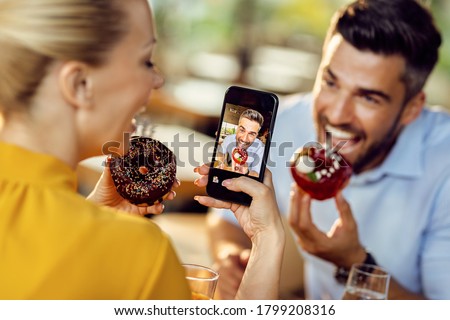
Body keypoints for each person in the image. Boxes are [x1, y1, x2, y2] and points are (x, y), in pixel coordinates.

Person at [0, 0, 285, 299]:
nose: (158, 80)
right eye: (146, 61)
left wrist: (91, 219)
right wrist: (267, 239)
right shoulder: (143, 255)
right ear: (80, 83)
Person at [207, 0, 450, 300]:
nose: (336, 115)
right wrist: (233, 255)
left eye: (368, 98)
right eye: (331, 83)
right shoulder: (283, 124)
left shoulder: (444, 164)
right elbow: (227, 220)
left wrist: (355, 264)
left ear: (412, 108)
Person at [217, 109, 265, 176]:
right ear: (237, 129)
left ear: (256, 135)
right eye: (242, 130)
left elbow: (257, 174)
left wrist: (246, 172)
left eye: (251, 134)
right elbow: (221, 152)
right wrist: (221, 163)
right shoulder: (229, 139)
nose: (244, 139)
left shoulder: (261, 148)